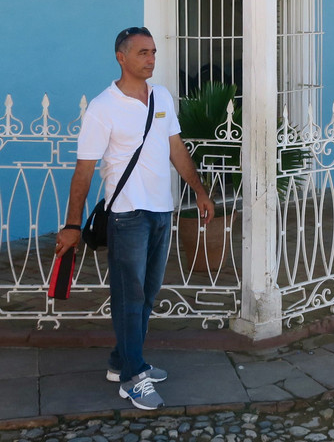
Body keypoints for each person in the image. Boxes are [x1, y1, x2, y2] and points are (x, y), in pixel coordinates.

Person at [54, 27, 214, 410]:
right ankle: (132, 377)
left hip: (161, 211)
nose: (151, 59)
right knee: (129, 297)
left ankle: (121, 361)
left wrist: (198, 190)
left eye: (154, 52)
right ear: (121, 57)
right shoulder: (102, 107)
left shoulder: (162, 97)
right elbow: (84, 171)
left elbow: (175, 148)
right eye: (143, 52)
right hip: (127, 215)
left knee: (147, 293)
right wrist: (72, 226)